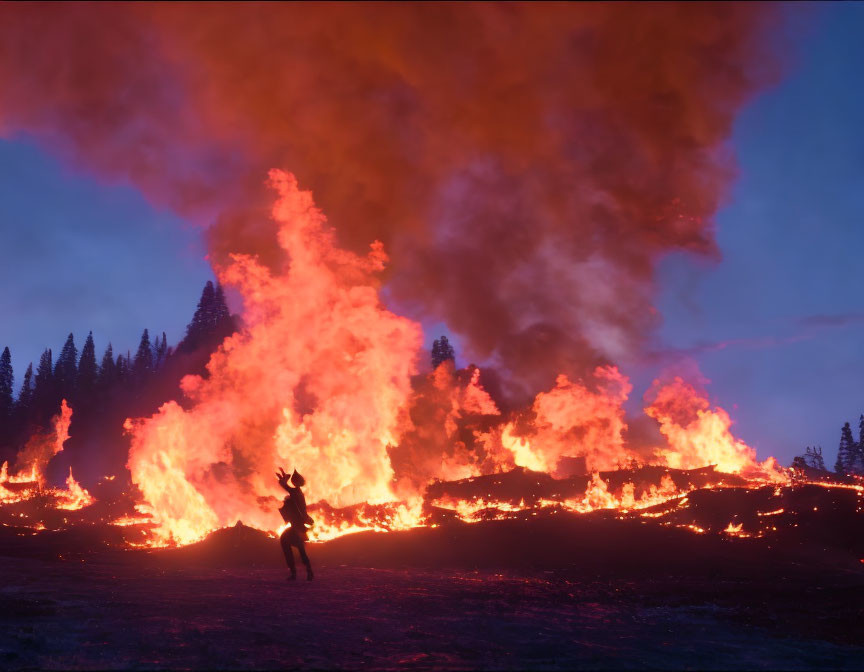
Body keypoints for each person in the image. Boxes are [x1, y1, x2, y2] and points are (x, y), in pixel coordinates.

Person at [276, 466, 314, 580]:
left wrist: (284, 478)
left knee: (288, 543)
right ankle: (307, 572)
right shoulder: (298, 493)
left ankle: (296, 573)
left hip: (296, 527)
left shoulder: (295, 492)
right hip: (298, 526)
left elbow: (284, 486)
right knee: (299, 548)